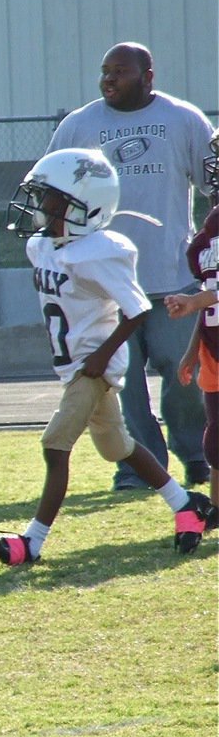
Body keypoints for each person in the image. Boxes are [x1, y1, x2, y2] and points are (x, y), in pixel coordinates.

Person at [0, 148, 217, 565]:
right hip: (75, 364)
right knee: (119, 447)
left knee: (55, 446)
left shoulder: (99, 250)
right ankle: (186, 505)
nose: (39, 209)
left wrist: (102, 356)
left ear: (85, 206)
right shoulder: (46, 247)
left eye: (51, 201)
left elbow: (138, 308)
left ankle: (31, 543)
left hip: (93, 368)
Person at [47, 42, 213, 491]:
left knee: (185, 376)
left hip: (170, 277)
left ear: (148, 76)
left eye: (120, 71)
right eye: (105, 71)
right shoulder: (78, 125)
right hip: (104, 285)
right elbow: (49, 192)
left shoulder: (184, 119)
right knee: (126, 388)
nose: (109, 80)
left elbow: (213, 184)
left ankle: (197, 454)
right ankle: (138, 470)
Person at [166, 128, 219, 513]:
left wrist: (196, 300)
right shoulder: (211, 226)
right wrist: (192, 349)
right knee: (216, 439)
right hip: (214, 349)